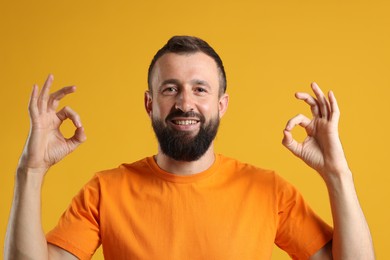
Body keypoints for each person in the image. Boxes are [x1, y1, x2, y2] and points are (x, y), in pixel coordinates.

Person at [4, 36, 374, 260]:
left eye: (200, 89)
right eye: (170, 89)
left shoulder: (269, 191)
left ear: (221, 105)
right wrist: (30, 171)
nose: (185, 103)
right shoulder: (105, 191)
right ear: (150, 104)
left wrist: (337, 173)